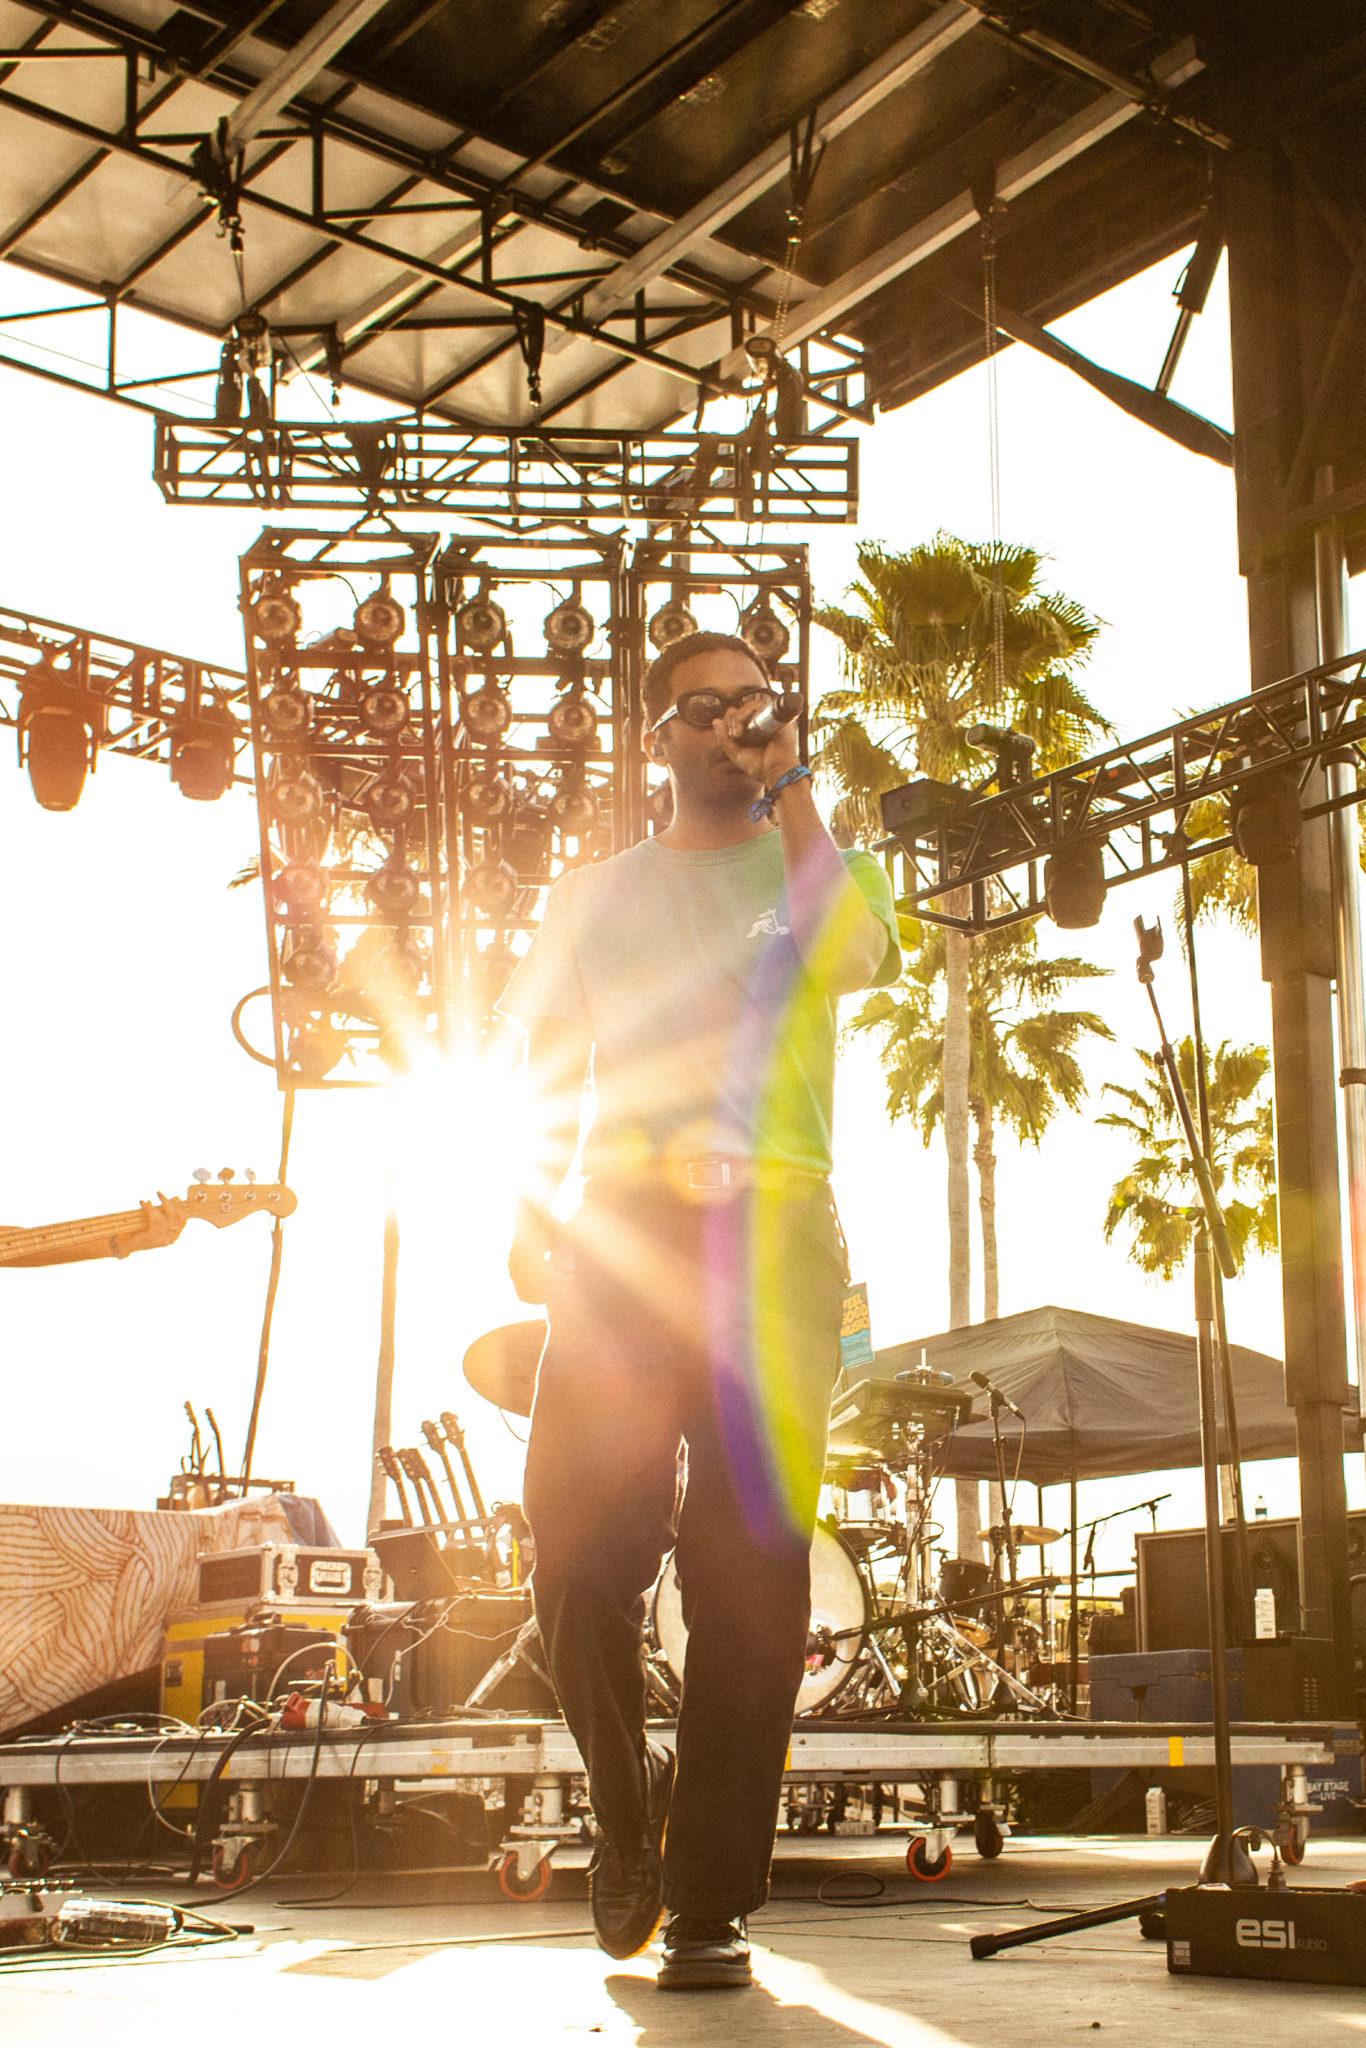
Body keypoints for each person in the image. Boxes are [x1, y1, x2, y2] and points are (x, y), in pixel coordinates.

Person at [501, 631, 899, 1989]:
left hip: (774, 1237)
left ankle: (710, 1901)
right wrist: (525, 1205)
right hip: (622, 1234)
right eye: (707, 707)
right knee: (574, 1557)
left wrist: (797, 789)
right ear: (656, 738)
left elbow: (855, 957)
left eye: (755, 703)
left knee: (750, 1580)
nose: (736, 723)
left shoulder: (814, 864)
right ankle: (629, 1821)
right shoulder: (591, 896)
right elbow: (542, 1064)